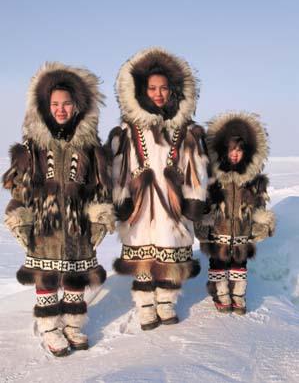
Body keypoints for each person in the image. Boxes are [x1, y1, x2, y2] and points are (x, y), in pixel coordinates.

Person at [3, 62, 115, 356]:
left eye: (67, 103)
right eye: (55, 104)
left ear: (78, 106)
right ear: (45, 106)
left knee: (75, 276)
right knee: (47, 277)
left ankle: (73, 324)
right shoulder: (33, 146)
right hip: (45, 227)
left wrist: (100, 217)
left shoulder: (91, 147)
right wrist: (19, 216)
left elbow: (100, 187)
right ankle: (50, 327)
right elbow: (20, 188)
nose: (61, 109)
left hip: (78, 226)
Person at [108, 47, 208, 330]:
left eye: (164, 88)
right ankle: (145, 306)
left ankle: (166, 302)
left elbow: (196, 167)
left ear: (174, 90)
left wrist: (194, 200)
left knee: (171, 254)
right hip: (140, 205)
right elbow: (119, 167)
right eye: (152, 88)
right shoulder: (128, 130)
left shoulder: (186, 129)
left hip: (172, 203)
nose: (159, 93)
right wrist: (121, 198)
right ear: (142, 90)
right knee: (143, 258)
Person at [195, 112, 275, 314]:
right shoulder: (214, 176)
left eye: (239, 150)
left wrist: (261, 223)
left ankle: (238, 296)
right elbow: (204, 200)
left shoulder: (252, 178)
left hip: (242, 231)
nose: (235, 154)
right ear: (224, 150)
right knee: (218, 263)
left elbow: (259, 204)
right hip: (217, 229)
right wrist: (202, 221)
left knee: (239, 264)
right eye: (231, 150)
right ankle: (221, 294)